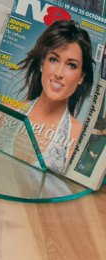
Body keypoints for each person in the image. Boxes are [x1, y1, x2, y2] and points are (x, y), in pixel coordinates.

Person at [14, 19, 93, 174]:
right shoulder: (7, 112)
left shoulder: (80, 137)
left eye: (71, 65)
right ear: (42, 64)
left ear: (81, 77)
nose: (58, 73)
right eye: (53, 59)